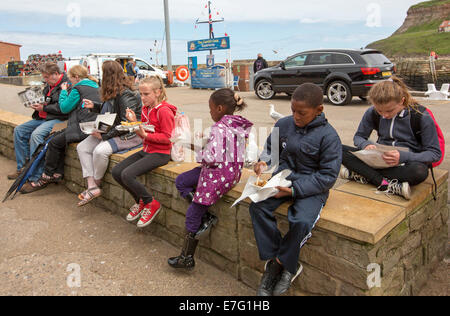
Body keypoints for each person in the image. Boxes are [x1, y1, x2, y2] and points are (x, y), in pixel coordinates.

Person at [249, 83, 342, 296]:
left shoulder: (329, 137)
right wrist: (263, 162)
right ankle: (276, 261)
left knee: (300, 222)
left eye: (302, 113)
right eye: (292, 111)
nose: (295, 117)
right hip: (281, 178)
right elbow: (270, 151)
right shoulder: (283, 124)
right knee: (257, 207)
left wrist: (293, 191)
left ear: (319, 110)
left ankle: (283, 264)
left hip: (312, 187)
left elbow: (327, 177)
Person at [168, 89, 253, 270]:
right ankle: (206, 215)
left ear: (220, 108)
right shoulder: (236, 124)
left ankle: (187, 257)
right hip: (231, 173)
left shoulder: (219, 128)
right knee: (182, 181)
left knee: (193, 213)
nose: (210, 112)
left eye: (210, 109)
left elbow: (211, 157)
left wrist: (195, 148)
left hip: (217, 175)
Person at [340, 76, 442, 200]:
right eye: (380, 111)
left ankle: (363, 174)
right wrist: (365, 145)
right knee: (337, 148)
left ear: (402, 101)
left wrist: (403, 156)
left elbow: (435, 154)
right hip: (377, 158)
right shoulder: (371, 112)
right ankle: (385, 184)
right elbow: (359, 137)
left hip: (405, 163)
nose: (384, 115)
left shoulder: (422, 117)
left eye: (389, 110)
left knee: (419, 172)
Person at [22, 65, 101, 193]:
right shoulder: (95, 86)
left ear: (76, 77)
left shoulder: (77, 88)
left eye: (70, 78)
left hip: (83, 126)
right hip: (92, 124)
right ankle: (57, 173)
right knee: (57, 140)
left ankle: (46, 176)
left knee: (53, 142)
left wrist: (64, 91)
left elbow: (64, 108)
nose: (69, 81)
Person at [112, 76, 176, 228]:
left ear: (158, 92)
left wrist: (146, 136)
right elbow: (145, 128)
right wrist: (134, 121)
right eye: (141, 94)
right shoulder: (145, 108)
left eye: (146, 94)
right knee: (116, 171)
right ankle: (140, 202)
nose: (143, 98)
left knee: (127, 174)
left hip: (160, 153)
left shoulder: (164, 111)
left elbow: (168, 138)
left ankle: (150, 203)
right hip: (147, 149)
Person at [76, 60, 143, 206]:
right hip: (110, 129)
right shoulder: (114, 89)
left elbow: (127, 124)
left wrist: (103, 136)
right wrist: (95, 106)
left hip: (128, 135)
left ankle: (96, 183)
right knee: (82, 147)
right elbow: (113, 111)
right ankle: (91, 186)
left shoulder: (127, 94)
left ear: (108, 75)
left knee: (100, 151)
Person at [8, 63, 69, 184]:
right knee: (19, 130)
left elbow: (63, 108)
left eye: (46, 77)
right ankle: (23, 168)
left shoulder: (67, 85)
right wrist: (37, 105)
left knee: (36, 135)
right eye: (44, 77)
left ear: (56, 74)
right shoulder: (49, 85)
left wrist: (44, 108)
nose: (45, 80)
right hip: (44, 117)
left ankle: (35, 176)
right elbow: (47, 101)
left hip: (59, 119)